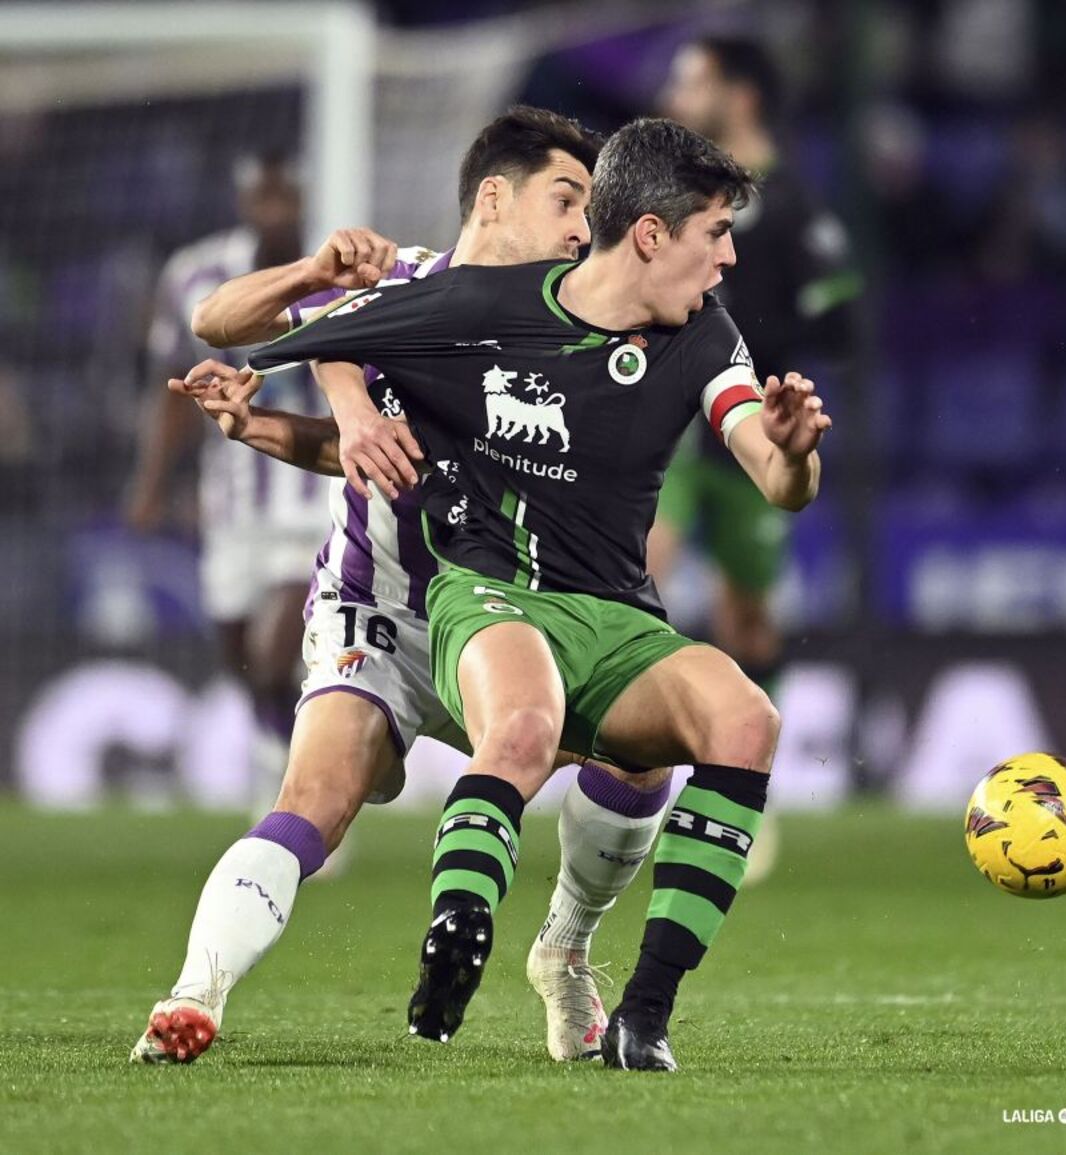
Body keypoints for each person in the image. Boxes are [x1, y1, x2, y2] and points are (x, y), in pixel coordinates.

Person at [245, 117, 831, 1071]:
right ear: (650, 234)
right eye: (714, 233)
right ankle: (457, 935)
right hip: (491, 593)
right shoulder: (486, 304)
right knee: (519, 728)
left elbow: (773, 474)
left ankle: (643, 1014)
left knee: (746, 720)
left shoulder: (705, 336)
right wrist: (269, 398)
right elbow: (317, 333)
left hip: (620, 613)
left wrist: (796, 451)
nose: (726, 259)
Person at [131, 109, 673, 1068]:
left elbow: (388, 452)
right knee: (316, 799)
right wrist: (316, 285)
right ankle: (192, 994)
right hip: (377, 613)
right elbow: (215, 321)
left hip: (511, 623)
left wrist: (293, 430)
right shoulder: (404, 286)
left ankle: (566, 950)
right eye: (567, 200)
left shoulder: (570, 328)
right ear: (494, 197)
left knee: (645, 755)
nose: (580, 229)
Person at [656, 36, 862, 881]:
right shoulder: (670, 193)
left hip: (749, 435)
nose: (674, 90)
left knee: (748, 621)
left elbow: (839, 321)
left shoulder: (799, 207)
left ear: (739, 96)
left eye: (691, 76)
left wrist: (784, 386)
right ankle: (620, 777)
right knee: (632, 571)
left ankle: (741, 791)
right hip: (667, 424)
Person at [125, 151, 330, 806]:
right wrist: (151, 481)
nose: (274, 210)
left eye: (285, 197)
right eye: (262, 198)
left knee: (276, 654)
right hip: (233, 503)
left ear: (305, 197)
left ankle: (296, 798)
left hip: (315, 495)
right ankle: (294, 767)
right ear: (243, 200)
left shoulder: (345, 272)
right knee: (249, 665)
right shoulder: (196, 275)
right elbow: (171, 389)